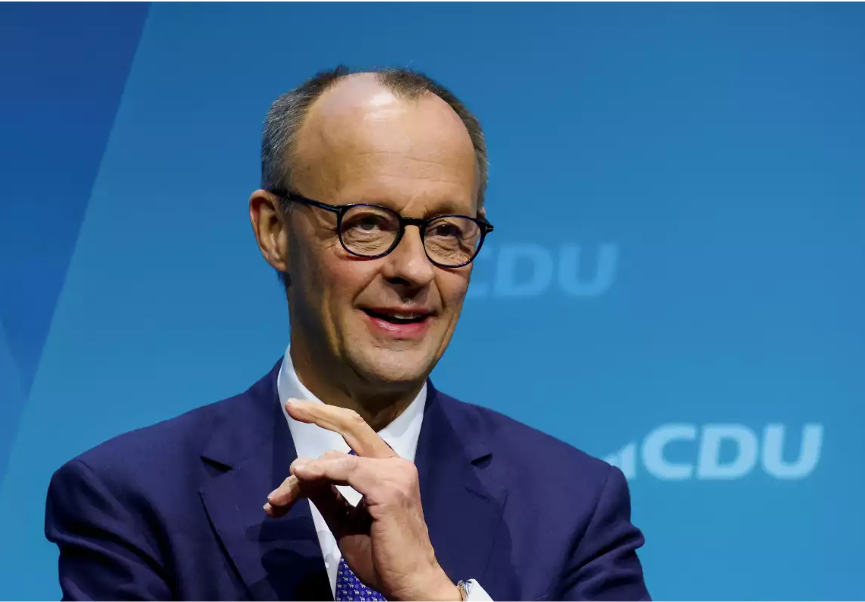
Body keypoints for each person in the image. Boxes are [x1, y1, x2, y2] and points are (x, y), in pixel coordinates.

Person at [44, 65, 651, 602]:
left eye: (446, 230)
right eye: (367, 224)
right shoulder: (132, 498)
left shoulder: (575, 506)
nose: (414, 269)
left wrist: (434, 597)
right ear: (275, 231)